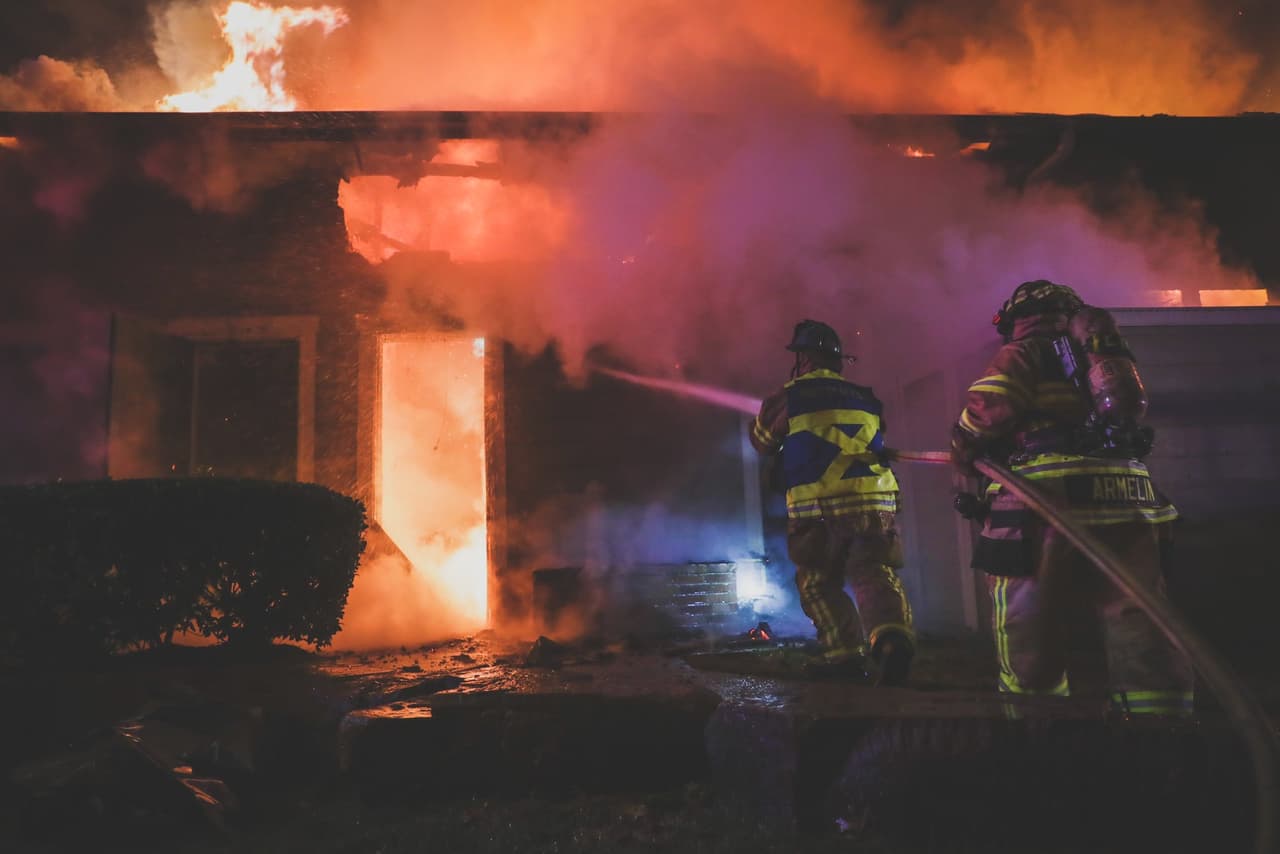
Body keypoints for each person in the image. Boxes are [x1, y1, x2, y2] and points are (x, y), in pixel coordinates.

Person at [951, 280, 1193, 716]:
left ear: (1016, 319)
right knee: (1141, 618)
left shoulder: (1026, 349)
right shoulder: (1098, 357)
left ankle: (1037, 727)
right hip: (1131, 496)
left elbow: (990, 406)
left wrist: (963, 441)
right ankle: (1163, 728)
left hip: (1047, 500)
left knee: (1028, 622)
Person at [750, 319, 915, 685]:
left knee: (818, 583)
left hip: (820, 510)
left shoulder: (787, 397)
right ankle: (891, 641)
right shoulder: (867, 397)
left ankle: (844, 658)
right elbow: (876, 435)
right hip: (875, 504)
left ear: (804, 358)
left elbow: (761, 442)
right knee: (874, 574)